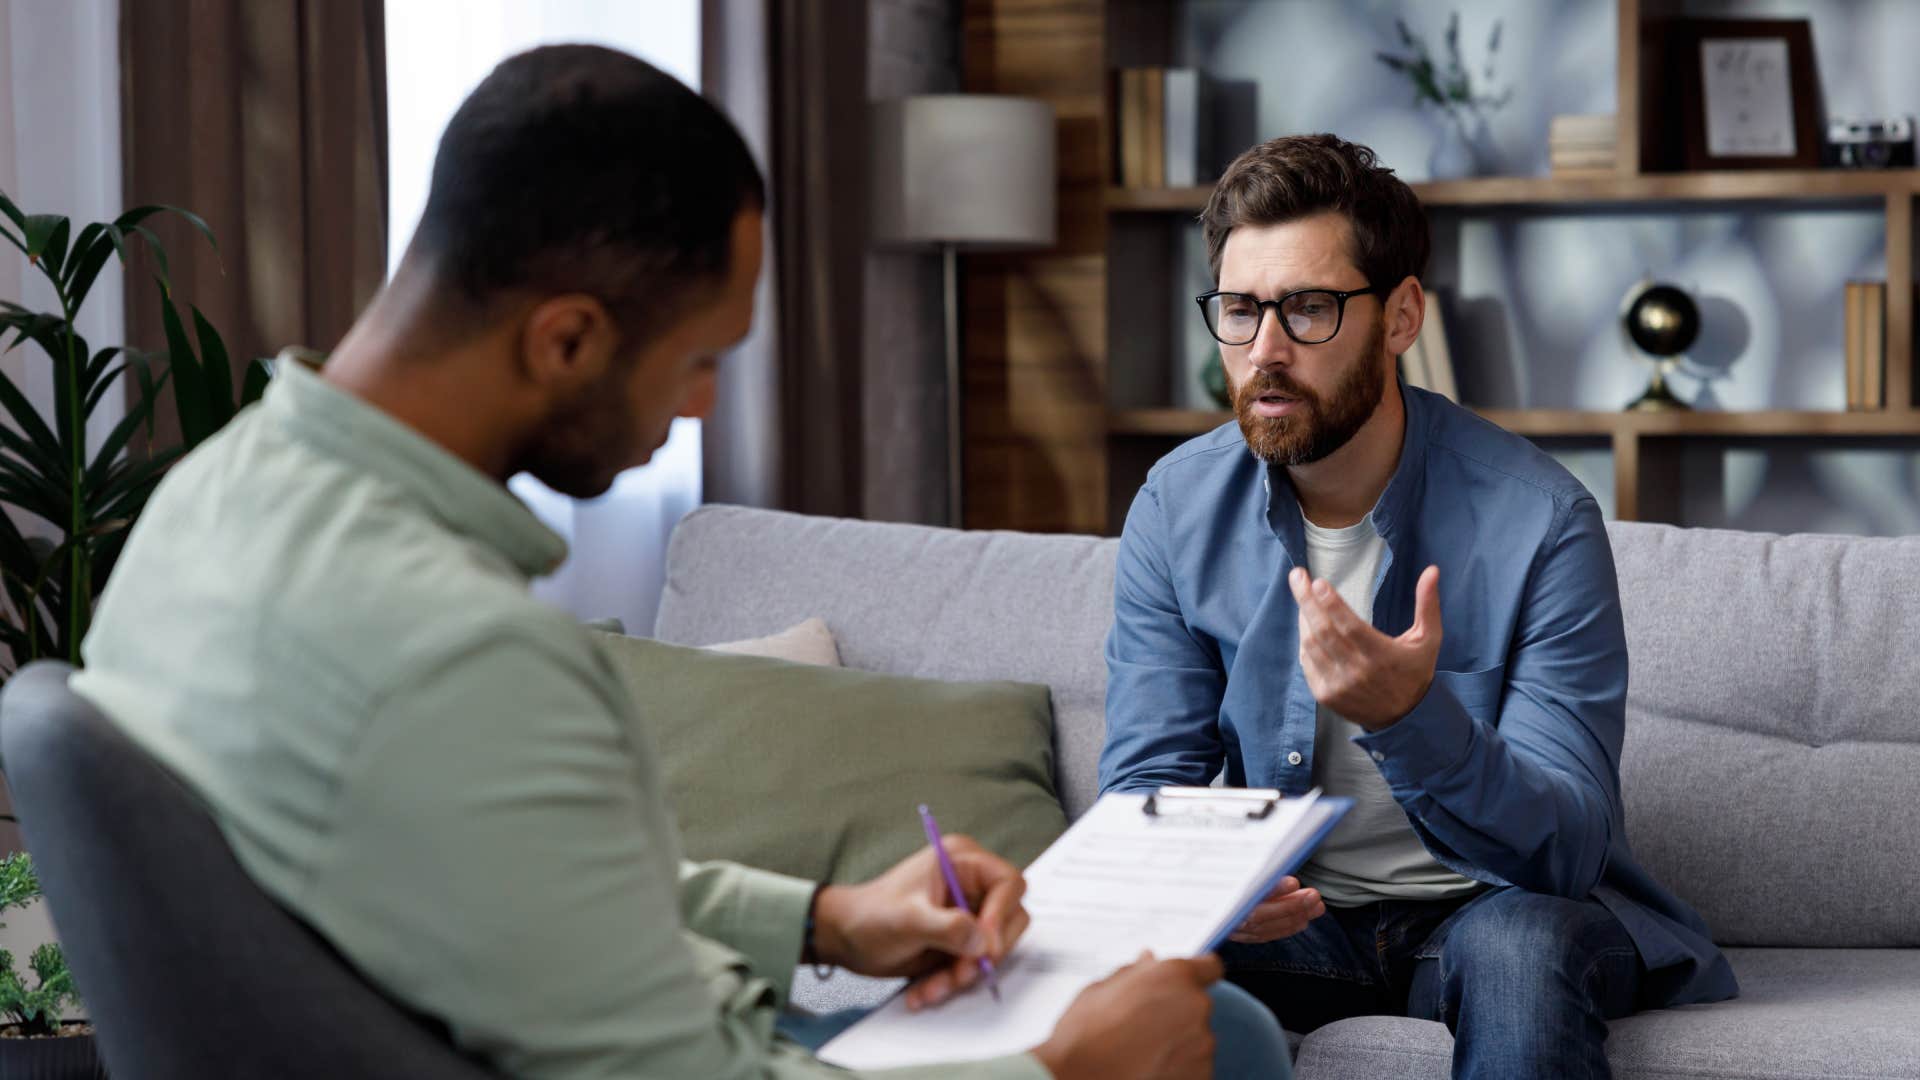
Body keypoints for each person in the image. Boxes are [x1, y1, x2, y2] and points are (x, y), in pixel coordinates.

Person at [73, 45, 1290, 1080]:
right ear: (566, 339)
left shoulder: (212, 503)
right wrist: (1056, 1070)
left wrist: (831, 919)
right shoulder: (460, 651)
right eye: (702, 357)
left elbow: (506, 881)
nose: (703, 406)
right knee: (1211, 1032)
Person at [1098, 133, 1740, 1079]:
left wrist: (1410, 718)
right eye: (1239, 311)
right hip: (1293, 926)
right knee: (1103, 958)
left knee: (1523, 948)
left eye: (1309, 309)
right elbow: (1145, 789)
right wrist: (1207, 891)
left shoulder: (1542, 520)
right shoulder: (1174, 505)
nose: (1265, 351)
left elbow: (1566, 849)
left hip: (1490, 913)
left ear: (1401, 317)